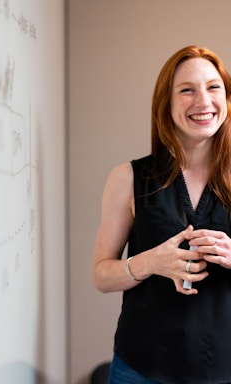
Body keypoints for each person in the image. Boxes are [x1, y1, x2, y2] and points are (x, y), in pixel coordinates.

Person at [92, 45, 231, 383]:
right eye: (187, 90)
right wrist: (150, 262)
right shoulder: (127, 178)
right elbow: (101, 275)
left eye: (213, 87)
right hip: (140, 370)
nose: (203, 101)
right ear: (165, 104)